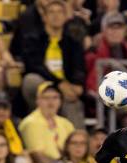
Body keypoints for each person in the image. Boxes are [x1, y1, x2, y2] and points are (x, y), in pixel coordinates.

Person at [22, 0, 86, 129]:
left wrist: (77, 84)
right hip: (44, 84)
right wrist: (58, 83)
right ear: (44, 17)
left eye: (59, 12)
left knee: (73, 100)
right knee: (31, 80)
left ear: (65, 16)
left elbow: (79, 68)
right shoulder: (33, 40)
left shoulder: (73, 42)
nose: (56, 16)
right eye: (51, 12)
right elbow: (34, 66)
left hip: (65, 87)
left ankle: (79, 142)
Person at [85, 12, 127, 95]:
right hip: (102, 101)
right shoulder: (93, 53)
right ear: (103, 31)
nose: (115, 32)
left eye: (119, 28)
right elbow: (91, 86)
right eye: (111, 27)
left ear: (124, 31)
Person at [19, 82, 75, 163]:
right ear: (37, 100)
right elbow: (37, 155)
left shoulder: (66, 123)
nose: (51, 101)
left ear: (60, 101)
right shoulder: (31, 123)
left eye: (55, 97)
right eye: (46, 98)